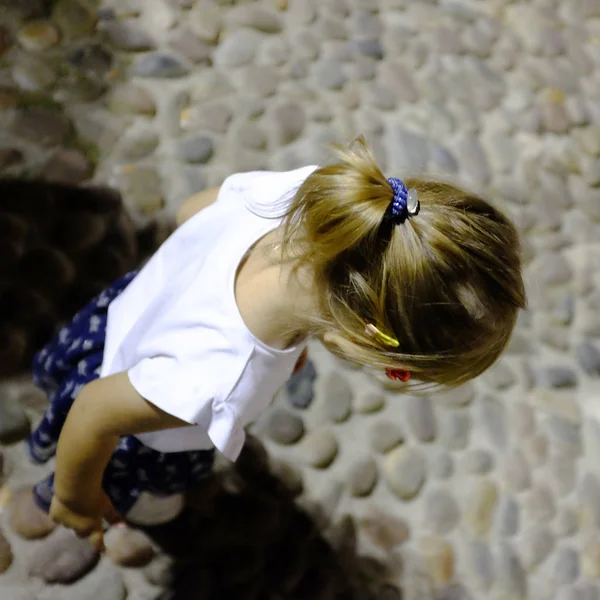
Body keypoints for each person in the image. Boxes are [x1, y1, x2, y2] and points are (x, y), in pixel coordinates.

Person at [27, 137, 526, 549]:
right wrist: (76, 498)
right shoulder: (223, 382)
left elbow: (191, 211)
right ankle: (132, 499)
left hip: (121, 320)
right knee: (151, 485)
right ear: (365, 337)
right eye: (397, 371)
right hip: (138, 425)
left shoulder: (305, 195)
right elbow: (94, 412)